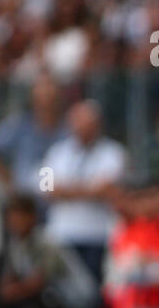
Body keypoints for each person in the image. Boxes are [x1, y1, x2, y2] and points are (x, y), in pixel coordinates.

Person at [40, 100, 127, 286]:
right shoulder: (57, 152)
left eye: (89, 123)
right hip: (62, 233)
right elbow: (46, 189)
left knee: (92, 286)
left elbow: (107, 189)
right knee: (61, 288)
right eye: (79, 122)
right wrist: (89, 189)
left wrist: (65, 190)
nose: (83, 128)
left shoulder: (114, 152)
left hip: (97, 233)